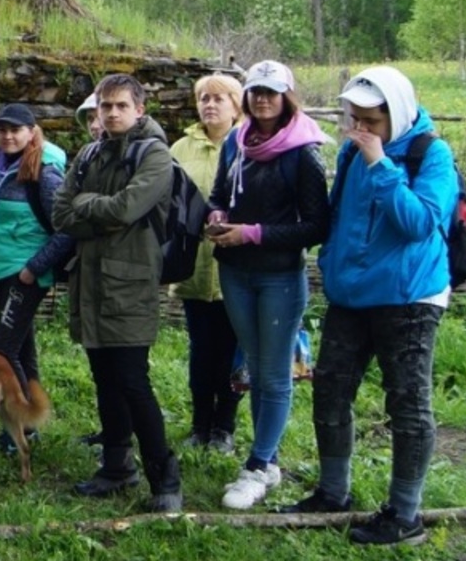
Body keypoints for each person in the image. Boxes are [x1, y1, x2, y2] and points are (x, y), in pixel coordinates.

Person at [284, 67, 458, 546]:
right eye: (354, 119)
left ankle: (405, 515)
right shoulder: (351, 152)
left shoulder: (432, 156)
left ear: (395, 114)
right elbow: (340, 217)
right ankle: (333, 492)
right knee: (331, 391)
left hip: (407, 297)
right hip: (351, 294)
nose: (360, 129)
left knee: (407, 402)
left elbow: (418, 223)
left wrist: (381, 166)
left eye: (370, 120)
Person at [53, 73, 183, 512]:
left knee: (133, 382)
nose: (110, 113)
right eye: (104, 106)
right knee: (105, 379)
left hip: (129, 285)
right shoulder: (91, 153)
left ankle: (165, 481)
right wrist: (95, 210)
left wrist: (87, 205)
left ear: (139, 109)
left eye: (120, 106)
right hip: (91, 283)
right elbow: (60, 213)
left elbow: (129, 208)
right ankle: (115, 467)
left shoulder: (156, 155)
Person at [206, 60, 331, 510]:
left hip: (278, 273)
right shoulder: (236, 143)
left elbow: (317, 225)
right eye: (256, 91)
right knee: (255, 367)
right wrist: (217, 216)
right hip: (235, 269)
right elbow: (221, 193)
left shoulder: (303, 152)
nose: (262, 99)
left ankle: (257, 466)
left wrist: (253, 232)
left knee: (274, 371)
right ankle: (269, 458)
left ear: (286, 97)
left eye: (271, 92)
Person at [170, 74, 245, 454]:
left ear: (236, 104)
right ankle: (200, 424)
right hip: (197, 267)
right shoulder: (180, 149)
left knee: (234, 351)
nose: (209, 105)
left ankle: (225, 426)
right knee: (202, 351)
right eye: (203, 98)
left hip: (238, 268)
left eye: (218, 98)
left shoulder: (250, 146)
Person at [0, 103, 74, 418]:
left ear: (32, 132)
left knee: (1, 352)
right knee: (21, 348)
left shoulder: (45, 173)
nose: (7, 136)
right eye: (2, 130)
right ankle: (32, 422)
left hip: (24, 273)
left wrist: (33, 269)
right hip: (1, 267)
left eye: (15, 130)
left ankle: (22, 424)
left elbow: (67, 230)